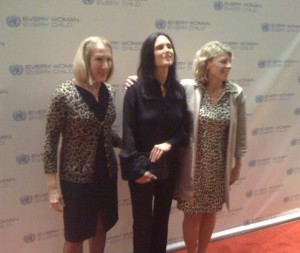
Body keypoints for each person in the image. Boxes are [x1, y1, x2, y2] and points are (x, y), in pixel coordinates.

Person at [125, 41, 247, 253]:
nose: (228, 66)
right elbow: (161, 86)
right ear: (208, 64)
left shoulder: (236, 94)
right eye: (223, 61)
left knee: (210, 212)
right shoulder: (188, 88)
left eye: (230, 62)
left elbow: (241, 134)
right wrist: (137, 80)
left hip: (219, 167)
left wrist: (237, 164)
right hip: (193, 165)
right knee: (192, 213)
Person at [43, 36, 122, 253]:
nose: (105, 66)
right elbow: (50, 142)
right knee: (75, 236)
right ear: (85, 60)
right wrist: (52, 188)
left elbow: (104, 131)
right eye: (99, 59)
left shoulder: (109, 91)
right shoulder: (64, 94)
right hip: (76, 178)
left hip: (106, 172)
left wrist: (130, 144)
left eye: (109, 59)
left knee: (100, 227)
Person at [119, 32, 189, 253]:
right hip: (141, 166)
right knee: (142, 223)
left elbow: (184, 130)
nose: (167, 50)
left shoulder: (178, 90)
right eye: (160, 47)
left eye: (169, 46)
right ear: (150, 54)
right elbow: (128, 133)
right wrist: (135, 170)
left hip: (169, 165)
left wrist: (169, 144)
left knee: (162, 219)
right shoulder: (135, 90)